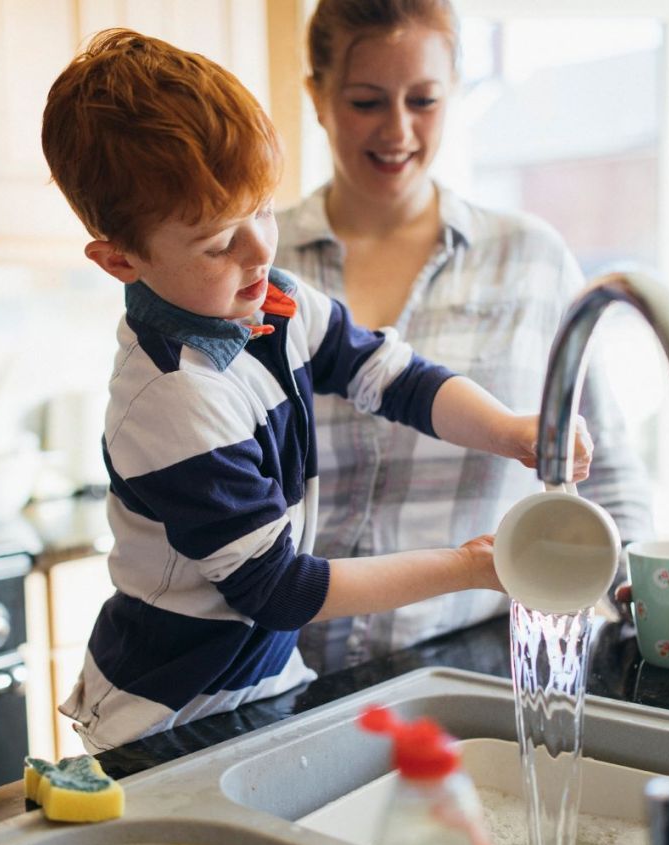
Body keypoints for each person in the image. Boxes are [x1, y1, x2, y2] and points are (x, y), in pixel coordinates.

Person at [40, 29, 594, 752]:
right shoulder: (173, 400)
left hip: (263, 689)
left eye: (263, 210)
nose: (260, 250)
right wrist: (470, 568)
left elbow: (396, 378)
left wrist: (511, 430)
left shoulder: (271, 302)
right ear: (119, 259)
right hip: (168, 717)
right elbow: (282, 590)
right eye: (217, 241)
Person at [275, 0, 654, 674]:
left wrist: (645, 610)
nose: (398, 130)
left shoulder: (531, 259)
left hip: (478, 662)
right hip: (284, 673)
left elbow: (609, 471)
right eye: (366, 101)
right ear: (317, 96)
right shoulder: (258, 267)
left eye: (424, 100)